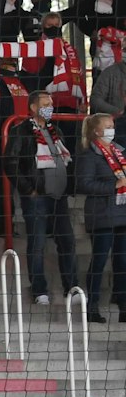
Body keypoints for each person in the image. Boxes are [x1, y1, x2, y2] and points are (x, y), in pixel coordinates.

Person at [3, 90, 78, 305]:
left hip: (59, 197)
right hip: (36, 198)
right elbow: (11, 163)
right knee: (37, 244)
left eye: (51, 103)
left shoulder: (57, 132)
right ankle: (39, 291)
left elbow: (66, 161)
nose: (50, 107)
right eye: (46, 103)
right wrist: (29, 190)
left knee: (67, 242)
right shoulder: (21, 131)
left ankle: (71, 288)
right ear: (34, 107)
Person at [72, 112, 126, 323]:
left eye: (113, 125)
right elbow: (84, 184)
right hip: (101, 215)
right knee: (100, 260)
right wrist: (113, 186)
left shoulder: (119, 152)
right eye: (107, 126)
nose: (112, 128)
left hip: (122, 213)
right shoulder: (89, 156)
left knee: (123, 262)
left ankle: (123, 306)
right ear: (96, 131)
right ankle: (92, 306)